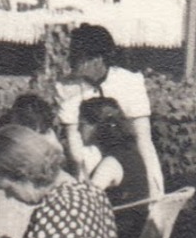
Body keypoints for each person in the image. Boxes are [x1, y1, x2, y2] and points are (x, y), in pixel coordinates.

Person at [55, 23, 165, 195]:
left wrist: (156, 189)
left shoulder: (128, 82)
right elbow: (73, 139)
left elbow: (144, 139)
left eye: (78, 57)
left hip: (125, 157)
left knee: (112, 173)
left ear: (98, 59)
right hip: (89, 157)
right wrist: (79, 177)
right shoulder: (67, 87)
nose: (71, 62)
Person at [78, 96, 152, 238]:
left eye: (81, 124)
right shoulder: (130, 154)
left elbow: (83, 203)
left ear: (97, 126)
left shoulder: (111, 163)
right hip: (131, 235)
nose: (78, 131)